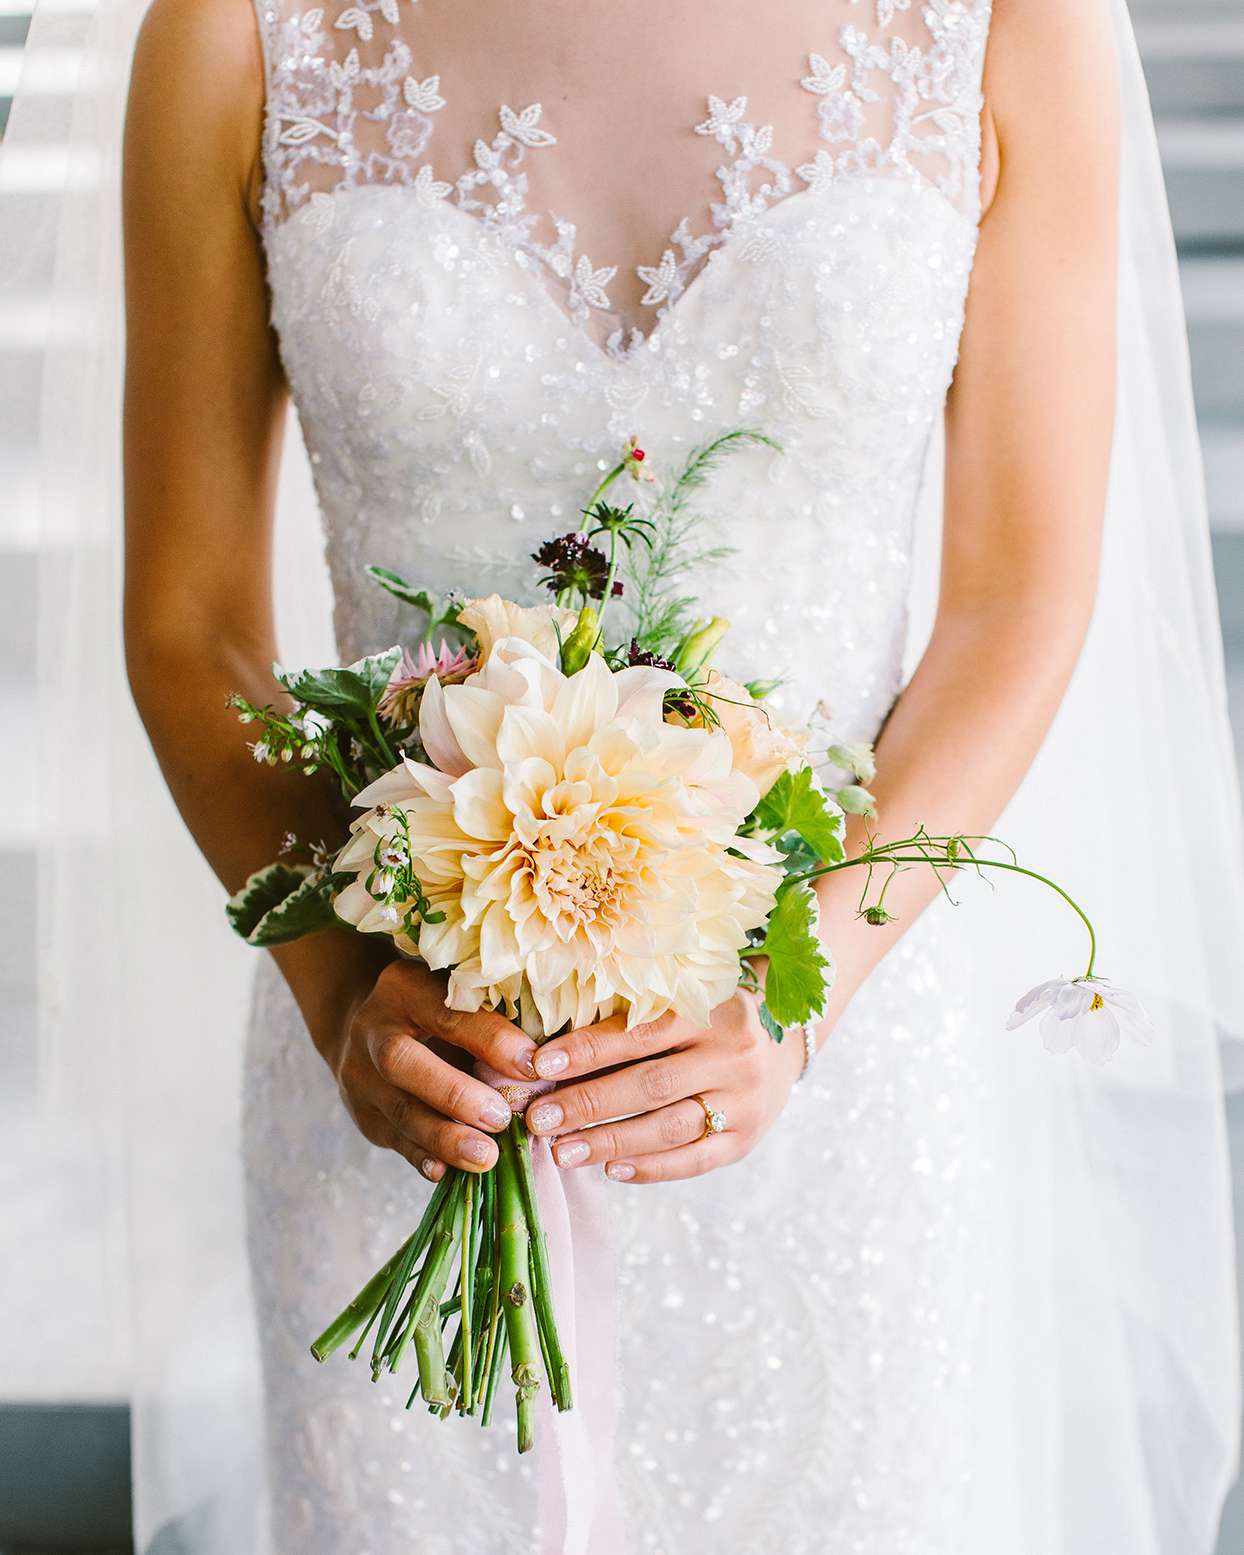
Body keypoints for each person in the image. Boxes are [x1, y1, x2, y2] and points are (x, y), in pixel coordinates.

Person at [111, 0, 1239, 1550]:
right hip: (411, 1077)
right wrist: (340, 996)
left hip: (836, 1071)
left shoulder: (1006, 27)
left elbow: (1017, 598)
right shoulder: (242, 35)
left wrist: (798, 995)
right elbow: (189, 624)